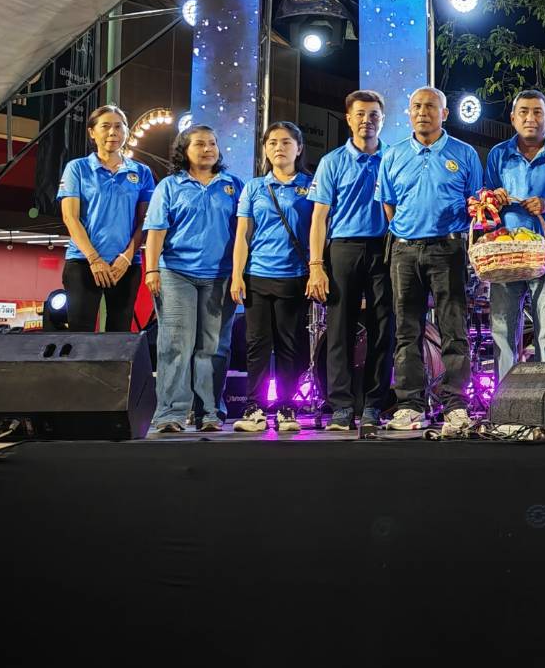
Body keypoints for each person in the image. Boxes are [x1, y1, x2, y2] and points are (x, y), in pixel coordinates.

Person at [378, 87, 485, 436]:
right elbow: (389, 205)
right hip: (404, 251)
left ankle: (455, 405)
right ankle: (410, 404)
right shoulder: (393, 155)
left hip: (448, 250)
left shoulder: (464, 153)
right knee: (407, 331)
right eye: (417, 106)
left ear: (445, 114)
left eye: (430, 106)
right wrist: (409, 232)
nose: (423, 112)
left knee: (454, 330)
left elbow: (475, 203)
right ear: (408, 113)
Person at [143, 125, 242, 434]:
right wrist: (151, 270)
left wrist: (240, 273)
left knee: (214, 347)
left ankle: (209, 412)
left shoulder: (233, 185)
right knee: (176, 345)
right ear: (184, 150)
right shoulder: (170, 186)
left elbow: (243, 233)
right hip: (176, 273)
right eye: (199, 144)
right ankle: (169, 413)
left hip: (221, 276)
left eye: (212, 143)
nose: (208, 149)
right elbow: (155, 231)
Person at [306, 90, 393, 432]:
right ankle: (340, 406)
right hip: (343, 248)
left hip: (385, 248)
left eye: (373, 115)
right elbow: (319, 218)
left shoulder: (393, 158)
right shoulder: (332, 161)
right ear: (348, 119)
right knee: (340, 329)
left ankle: (373, 405)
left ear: (382, 120)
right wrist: (316, 265)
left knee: (383, 328)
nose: (366, 121)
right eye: (360, 114)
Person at [481, 90, 545, 381]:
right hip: (505, 260)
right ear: (513, 118)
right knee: (502, 333)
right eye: (523, 112)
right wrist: (493, 198)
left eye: (537, 112)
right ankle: (504, 398)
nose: (530, 118)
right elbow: (484, 207)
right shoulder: (499, 154)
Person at [230, 121, 314, 434]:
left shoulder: (310, 186)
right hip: (257, 275)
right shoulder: (254, 187)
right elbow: (243, 235)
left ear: (299, 148)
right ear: (265, 149)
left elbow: (319, 231)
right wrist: (237, 275)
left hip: (295, 276)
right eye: (273, 143)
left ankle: (287, 407)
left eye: (286, 142)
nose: (279, 148)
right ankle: (254, 407)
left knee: (290, 345)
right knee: (257, 345)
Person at [57, 104, 154, 333]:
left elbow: (146, 221)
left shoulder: (142, 172)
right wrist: (94, 259)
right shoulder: (77, 168)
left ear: (126, 132)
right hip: (83, 263)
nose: (113, 132)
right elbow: (70, 217)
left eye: (119, 127)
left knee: (119, 335)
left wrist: (127, 257)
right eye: (106, 126)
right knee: (80, 335)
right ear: (92, 132)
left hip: (126, 266)